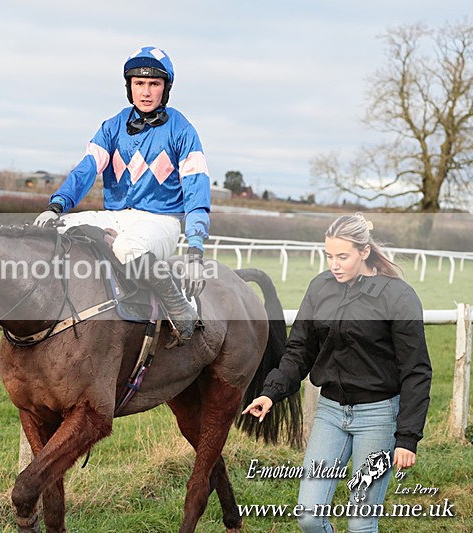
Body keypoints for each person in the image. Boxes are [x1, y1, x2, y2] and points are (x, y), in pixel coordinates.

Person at [242, 213, 432, 533]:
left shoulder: (398, 296)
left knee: (360, 523)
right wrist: (270, 392)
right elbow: (299, 350)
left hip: (379, 416)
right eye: (329, 256)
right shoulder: (320, 288)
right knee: (309, 516)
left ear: (364, 252)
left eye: (342, 256)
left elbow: (416, 370)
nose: (334, 264)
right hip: (330, 413)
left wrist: (407, 438)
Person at [33, 46, 212, 344]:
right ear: (129, 87)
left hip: (162, 222)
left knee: (128, 247)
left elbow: (196, 192)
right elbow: (86, 170)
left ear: (165, 89)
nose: (145, 92)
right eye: (138, 84)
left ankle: (177, 305)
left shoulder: (183, 131)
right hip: (116, 217)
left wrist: (195, 250)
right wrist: (56, 206)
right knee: (53, 231)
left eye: (154, 84)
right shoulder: (112, 126)